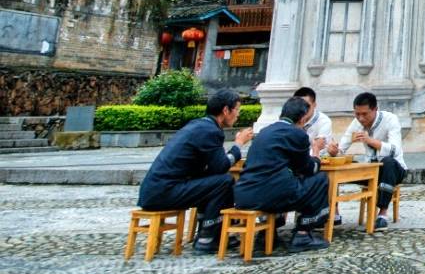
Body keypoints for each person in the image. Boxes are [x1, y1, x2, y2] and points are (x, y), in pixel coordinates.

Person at [137, 88, 253, 252]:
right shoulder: (210, 131)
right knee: (224, 181)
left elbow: (213, 167)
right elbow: (221, 166)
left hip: (154, 190)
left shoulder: (199, 125)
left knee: (214, 181)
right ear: (226, 110)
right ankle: (208, 237)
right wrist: (238, 144)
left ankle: (214, 234)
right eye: (237, 110)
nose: (238, 115)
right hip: (165, 191)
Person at [234, 95, 331, 251]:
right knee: (319, 179)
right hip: (271, 195)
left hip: (243, 194)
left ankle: (267, 233)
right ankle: (303, 234)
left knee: (281, 180)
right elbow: (309, 168)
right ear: (301, 119)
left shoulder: (264, 132)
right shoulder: (297, 134)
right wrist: (316, 153)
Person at [327, 92, 407, 231]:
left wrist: (370, 140)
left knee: (388, 162)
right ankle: (335, 214)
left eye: (365, 114)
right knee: (339, 168)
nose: (361, 118)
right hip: (370, 169)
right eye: (357, 114)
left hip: (394, 169)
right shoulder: (356, 123)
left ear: (375, 109)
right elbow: (342, 147)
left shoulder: (390, 119)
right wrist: (334, 151)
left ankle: (382, 215)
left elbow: (395, 150)